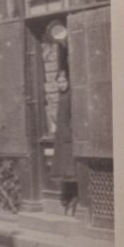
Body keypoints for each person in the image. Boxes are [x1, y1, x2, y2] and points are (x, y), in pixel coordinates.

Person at [51, 68, 78, 216]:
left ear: (68, 81)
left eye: (63, 81)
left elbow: (74, 116)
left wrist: (70, 133)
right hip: (61, 137)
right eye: (59, 82)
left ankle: (74, 197)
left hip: (69, 137)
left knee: (71, 169)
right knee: (64, 169)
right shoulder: (61, 96)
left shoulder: (70, 96)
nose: (61, 84)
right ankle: (66, 198)